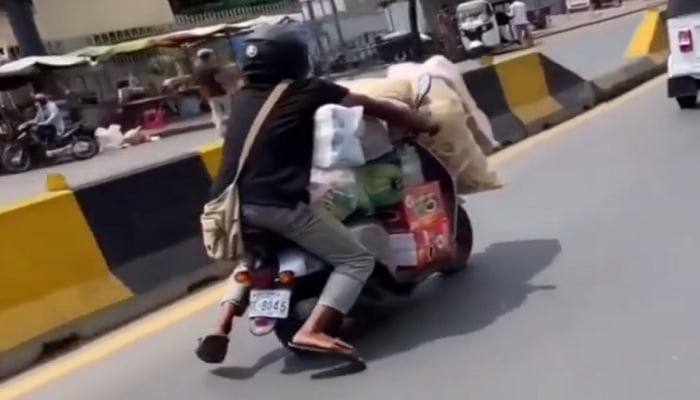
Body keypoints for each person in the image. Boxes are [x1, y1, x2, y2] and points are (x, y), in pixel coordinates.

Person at [195, 24, 439, 363]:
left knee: (254, 259)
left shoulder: (242, 98)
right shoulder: (308, 91)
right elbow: (376, 107)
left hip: (229, 204)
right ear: (294, 59)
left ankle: (219, 327)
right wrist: (425, 123)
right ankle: (313, 329)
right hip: (275, 203)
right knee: (356, 260)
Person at [193, 48, 230, 136]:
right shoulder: (215, 68)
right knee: (228, 111)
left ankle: (221, 132)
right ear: (209, 56)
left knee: (217, 115)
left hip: (211, 95)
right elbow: (220, 80)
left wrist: (205, 96)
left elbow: (200, 85)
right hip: (221, 92)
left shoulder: (199, 70)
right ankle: (232, 129)